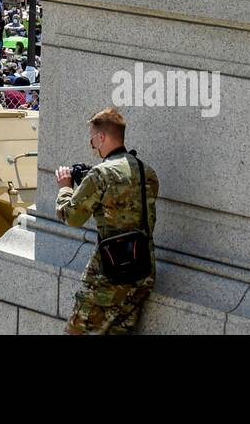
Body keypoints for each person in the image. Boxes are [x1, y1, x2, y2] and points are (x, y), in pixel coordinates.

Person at [55, 108, 158, 335]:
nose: (92, 146)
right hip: (142, 270)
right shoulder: (146, 171)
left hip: (109, 273)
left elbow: (71, 216)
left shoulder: (100, 175)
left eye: (92, 140)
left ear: (101, 137)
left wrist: (65, 188)